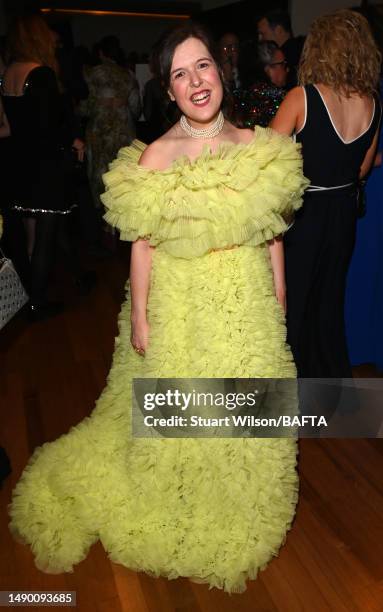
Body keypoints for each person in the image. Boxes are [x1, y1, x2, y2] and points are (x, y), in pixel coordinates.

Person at [9, 23, 307, 593]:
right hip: (182, 306)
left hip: (246, 305)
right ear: (167, 91)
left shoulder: (260, 149)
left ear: (220, 73)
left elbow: (272, 232)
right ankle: (185, 498)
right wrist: (142, 316)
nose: (196, 81)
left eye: (203, 67)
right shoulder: (156, 158)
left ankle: (241, 506)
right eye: (180, 74)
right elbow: (142, 245)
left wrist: (279, 294)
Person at [271, 9, 381, 377]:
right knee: (329, 301)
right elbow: (363, 168)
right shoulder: (374, 104)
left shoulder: (301, 98)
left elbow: (264, 159)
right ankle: (332, 392)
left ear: (318, 50)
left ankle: (291, 393)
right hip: (344, 212)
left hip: (306, 213)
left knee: (296, 303)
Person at [0, 14, 82, 320]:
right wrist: (72, 140)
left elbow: (14, 125)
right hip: (44, 163)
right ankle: (36, 301)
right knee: (47, 233)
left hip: (18, 162)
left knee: (42, 230)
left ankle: (71, 278)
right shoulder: (41, 73)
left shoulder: (9, 72)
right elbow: (50, 126)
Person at [82, 35, 141, 211]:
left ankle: (103, 221)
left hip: (99, 131)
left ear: (101, 53)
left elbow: (85, 107)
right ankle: (119, 219)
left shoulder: (91, 74)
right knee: (123, 175)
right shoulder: (128, 75)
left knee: (100, 174)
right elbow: (136, 107)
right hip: (124, 130)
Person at [234, 40, 288, 128]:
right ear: (268, 69)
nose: (287, 69)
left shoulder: (239, 98)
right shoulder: (280, 99)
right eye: (282, 64)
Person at [257, 9, 304, 89]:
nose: (260, 39)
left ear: (279, 30)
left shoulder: (286, 57)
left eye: (263, 34)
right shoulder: (304, 49)